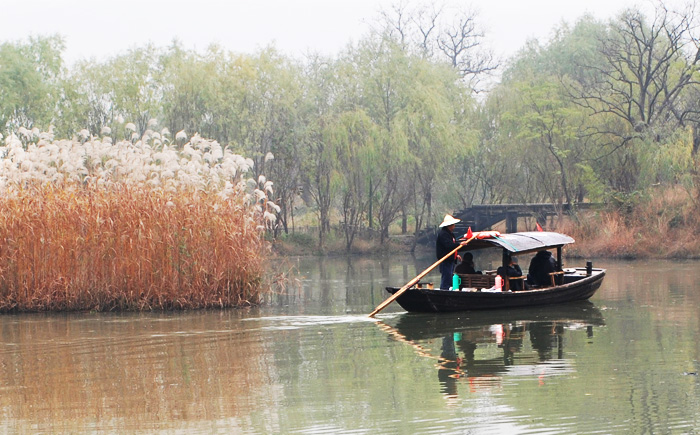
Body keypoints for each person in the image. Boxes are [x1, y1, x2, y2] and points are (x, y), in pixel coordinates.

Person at [435, 214, 467, 290]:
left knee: (449, 277)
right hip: (445, 260)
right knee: (446, 277)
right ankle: (444, 290)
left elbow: (452, 246)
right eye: (453, 225)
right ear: (449, 225)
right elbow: (448, 245)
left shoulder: (450, 234)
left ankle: (447, 289)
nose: (454, 226)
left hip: (450, 259)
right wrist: (459, 244)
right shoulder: (443, 234)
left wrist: (456, 255)